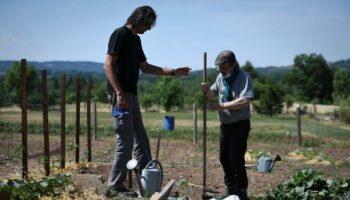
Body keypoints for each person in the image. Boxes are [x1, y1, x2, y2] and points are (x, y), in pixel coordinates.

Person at [103, 5, 191, 198]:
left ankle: (147, 184)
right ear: (138, 19)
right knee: (124, 141)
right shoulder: (120, 34)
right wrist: (118, 93)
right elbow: (108, 64)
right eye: (147, 24)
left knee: (141, 140)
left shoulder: (135, 40)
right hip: (121, 94)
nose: (149, 28)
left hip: (131, 95)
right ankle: (114, 187)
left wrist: (174, 72)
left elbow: (145, 67)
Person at [201, 50, 253, 200]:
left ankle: (242, 190)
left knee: (236, 158)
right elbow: (212, 94)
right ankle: (231, 188)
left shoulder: (244, 78)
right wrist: (207, 90)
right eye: (219, 67)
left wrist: (221, 106)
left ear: (232, 65)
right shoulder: (220, 77)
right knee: (224, 158)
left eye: (223, 67)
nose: (220, 70)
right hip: (225, 125)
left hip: (240, 125)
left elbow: (244, 101)